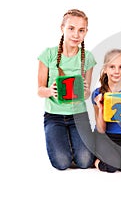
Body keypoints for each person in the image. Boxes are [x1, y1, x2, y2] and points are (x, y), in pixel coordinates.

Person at [37, 9, 97, 170]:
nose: (76, 34)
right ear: (62, 28)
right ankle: (66, 142)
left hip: (79, 116)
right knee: (62, 163)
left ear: (86, 32)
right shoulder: (48, 54)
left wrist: (86, 91)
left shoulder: (88, 57)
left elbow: (85, 95)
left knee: (84, 162)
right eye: (71, 28)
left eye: (81, 30)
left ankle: (76, 143)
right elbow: (39, 90)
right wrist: (50, 91)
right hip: (54, 117)